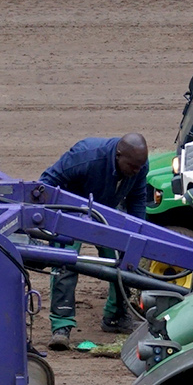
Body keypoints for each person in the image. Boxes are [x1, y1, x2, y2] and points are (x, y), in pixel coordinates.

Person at [38, 134, 151, 349]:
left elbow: (137, 199)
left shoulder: (139, 166)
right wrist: (53, 220)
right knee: (66, 262)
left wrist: (137, 235)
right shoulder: (84, 157)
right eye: (133, 166)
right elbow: (45, 184)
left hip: (106, 211)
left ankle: (115, 316)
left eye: (140, 167)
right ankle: (61, 327)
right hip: (70, 214)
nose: (137, 171)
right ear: (118, 156)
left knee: (124, 259)